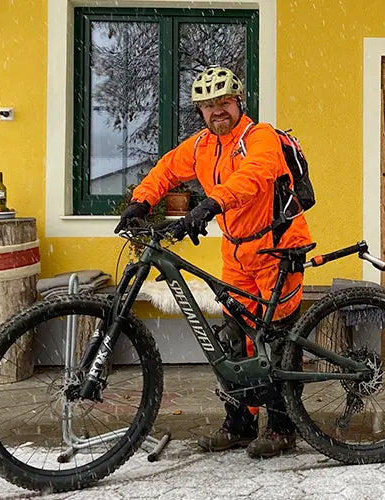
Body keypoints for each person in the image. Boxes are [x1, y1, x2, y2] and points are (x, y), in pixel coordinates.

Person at [114, 66, 313, 458]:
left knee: (274, 343)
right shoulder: (203, 146)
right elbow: (167, 169)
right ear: (200, 112)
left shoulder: (261, 137)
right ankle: (239, 424)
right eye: (207, 106)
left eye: (223, 102)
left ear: (239, 102)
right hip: (236, 253)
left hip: (277, 249)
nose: (216, 111)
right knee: (233, 340)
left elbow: (253, 177)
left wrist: (210, 204)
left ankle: (283, 428)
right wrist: (141, 201)